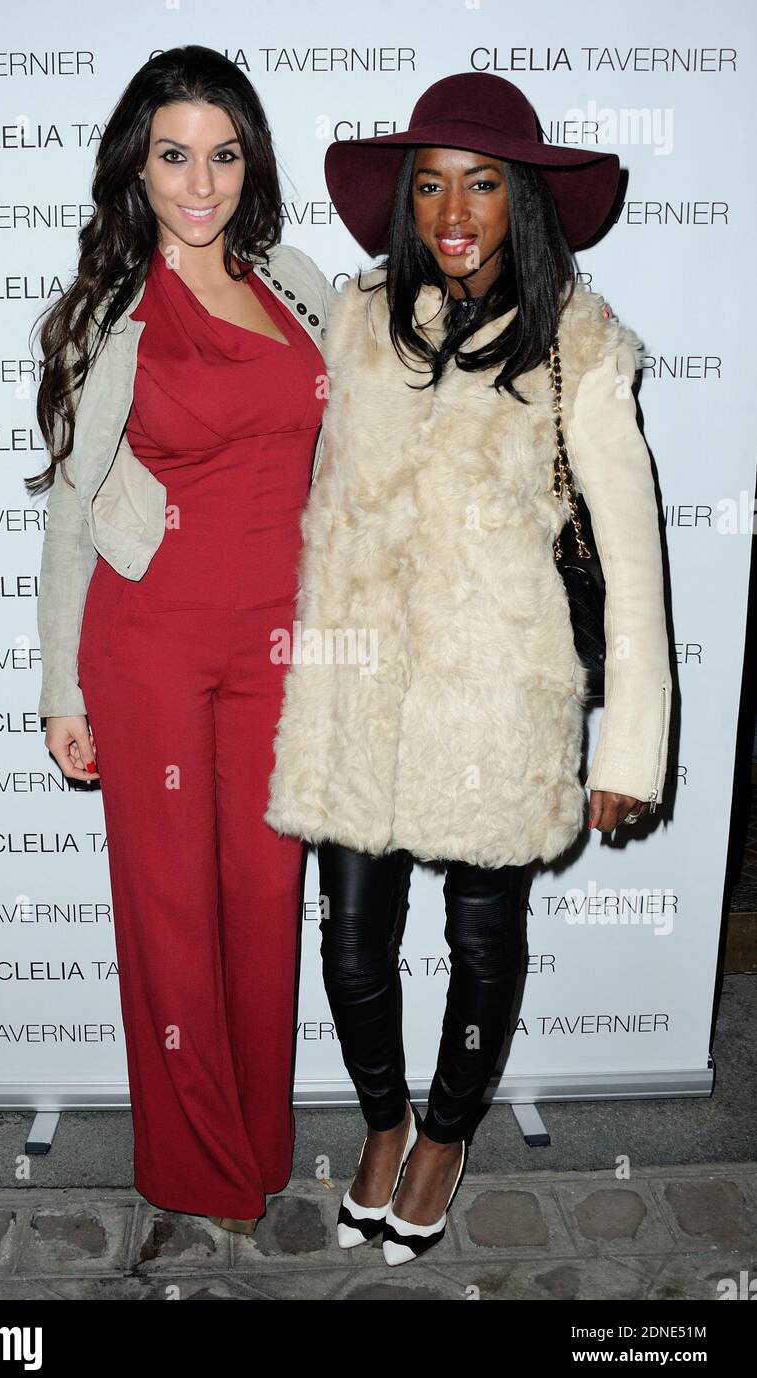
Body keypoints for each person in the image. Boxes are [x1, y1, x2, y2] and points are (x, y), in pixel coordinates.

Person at [264, 72, 673, 1264]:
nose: (453, 208)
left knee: (481, 935)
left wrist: (630, 744)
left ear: (520, 200)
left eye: (481, 182)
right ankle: (383, 1121)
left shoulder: (577, 347)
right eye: (431, 182)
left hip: (498, 692)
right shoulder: (351, 320)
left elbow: (636, 567)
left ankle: (445, 1135)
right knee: (349, 945)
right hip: (355, 688)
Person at [27, 46, 335, 1232]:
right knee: (168, 909)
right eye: (172, 156)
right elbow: (69, 510)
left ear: (246, 159)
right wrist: (61, 682)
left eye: (220, 153)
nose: (198, 182)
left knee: (264, 898)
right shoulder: (109, 311)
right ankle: (195, 1167)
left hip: (280, 646)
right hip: (150, 641)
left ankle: (258, 1142)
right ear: (136, 168)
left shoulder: (295, 280)